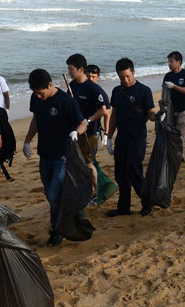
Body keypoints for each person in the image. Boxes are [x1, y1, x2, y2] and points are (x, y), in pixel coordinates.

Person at [22, 68, 86, 247]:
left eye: (41, 93)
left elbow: (82, 123)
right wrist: (27, 141)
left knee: (54, 193)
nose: (39, 97)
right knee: (50, 194)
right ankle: (68, 216)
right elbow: (35, 120)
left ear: (50, 85)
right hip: (45, 155)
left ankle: (57, 230)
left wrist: (76, 132)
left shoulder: (66, 101)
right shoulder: (35, 98)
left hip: (63, 156)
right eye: (36, 94)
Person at [105, 58, 158, 218]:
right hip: (122, 138)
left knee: (134, 170)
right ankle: (123, 207)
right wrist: (108, 137)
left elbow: (150, 112)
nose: (125, 80)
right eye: (122, 77)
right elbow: (114, 115)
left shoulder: (144, 91)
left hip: (138, 138)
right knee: (120, 174)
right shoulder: (116, 91)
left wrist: (158, 117)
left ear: (133, 72)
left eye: (128, 76)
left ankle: (147, 202)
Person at [66, 54, 109, 197]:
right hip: (74, 130)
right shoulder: (72, 86)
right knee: (78, 162)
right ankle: (88, 190)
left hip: (90, 132)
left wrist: (88, 120)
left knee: (88, 162)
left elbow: (103, 111)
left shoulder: (93, 89)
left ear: (80, 69)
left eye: (71, 69)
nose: (69, 72)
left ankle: (98, 192)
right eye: (68, 69)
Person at [163, 51, 185, 154]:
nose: (169, 64)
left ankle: (178, 155)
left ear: (178, 62)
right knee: (171, 132)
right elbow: (165, 93)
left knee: (180, 133)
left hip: (184, 108)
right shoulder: (168, 76)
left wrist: (174, 86)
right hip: (172, 109)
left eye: (171, 61)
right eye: (168, 62)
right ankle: (173, 153)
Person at [86, 64, 111, 142]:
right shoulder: (76, 88)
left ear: (98, 78)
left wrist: (106, 133)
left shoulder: (100, 93)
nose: (90, 79)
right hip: (77, 129)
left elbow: (107, 114)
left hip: (92, 131)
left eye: (93, 77)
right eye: (88, 76)